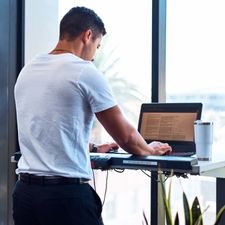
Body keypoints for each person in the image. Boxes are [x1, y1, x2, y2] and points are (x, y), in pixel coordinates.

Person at [12, 6, 172, 225]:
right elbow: (125, 137)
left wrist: (95, 149)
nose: (94, 55)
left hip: (25, 195)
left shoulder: (28, 70)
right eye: (97, 46)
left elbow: (46, 133)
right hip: (65, 198)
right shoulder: (82, 70)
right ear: (87, 35)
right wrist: (150, 149)